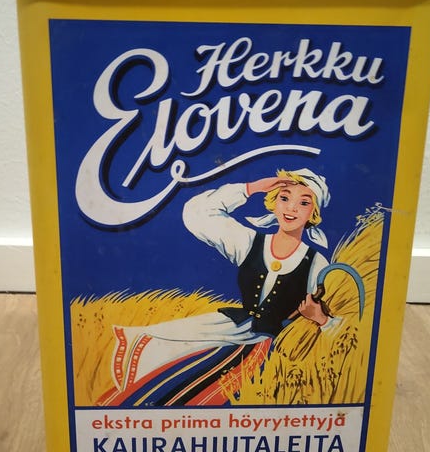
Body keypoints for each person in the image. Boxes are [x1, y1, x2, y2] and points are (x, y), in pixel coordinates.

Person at [102, 168, 338, 406]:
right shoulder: (248, 242)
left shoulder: (318, 264)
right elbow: (198, 214)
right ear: (273, 203)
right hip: (231, 329)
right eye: (284, 198)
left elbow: (345, 330)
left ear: (313, 213)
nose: (291, 208)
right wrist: (251, 188)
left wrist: (320, 318)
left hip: (277, 350)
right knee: (159, 348)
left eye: (304, 203)